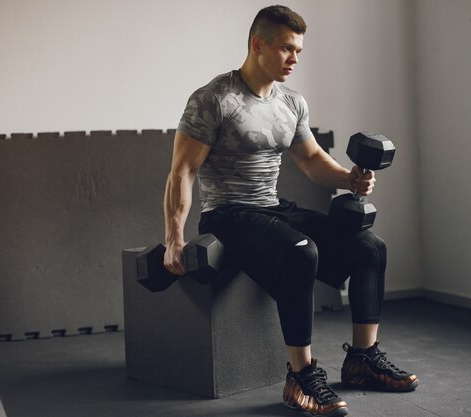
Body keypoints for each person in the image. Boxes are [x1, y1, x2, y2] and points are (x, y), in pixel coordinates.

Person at [163, 5, 418, 417]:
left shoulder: (292, 102)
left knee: (370, 247)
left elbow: (313, 160)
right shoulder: (213, 99)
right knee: (302, 251)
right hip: (228, 212)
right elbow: (182, 171)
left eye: (298, 50)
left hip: (272, 208)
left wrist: (349, 179)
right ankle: (301, 377)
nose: (294, 59)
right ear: (257, 44)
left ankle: (362, 360)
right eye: (286, 49)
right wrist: (174, 238)